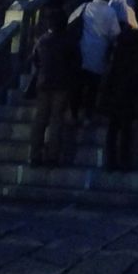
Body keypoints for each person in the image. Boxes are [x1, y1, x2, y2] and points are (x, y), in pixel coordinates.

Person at [29, 8, 79, 167]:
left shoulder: (42, 41)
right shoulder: (69, 41)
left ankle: (35, 155)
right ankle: (52, 155)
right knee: (56, 119)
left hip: (44, 83)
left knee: (40, 119)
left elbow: (36, 61)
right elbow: (76, 63)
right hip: (62, 84)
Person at [68, 0, 120, 125]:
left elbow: (71, 21)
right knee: (93, 86)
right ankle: (88, 115)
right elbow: (115, 33)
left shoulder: (85, 6)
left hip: (81, 51)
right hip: (99, 52)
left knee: (77, 85)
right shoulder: (110, 12)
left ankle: (74, 113)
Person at [102, 23, 138, 171]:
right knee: (126, 131)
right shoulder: (137, 59)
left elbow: (109, 79)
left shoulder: (116, 59)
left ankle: (110, 160)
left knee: (113, 130)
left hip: (115, 97)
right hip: (128, 98)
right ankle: (124, 160)